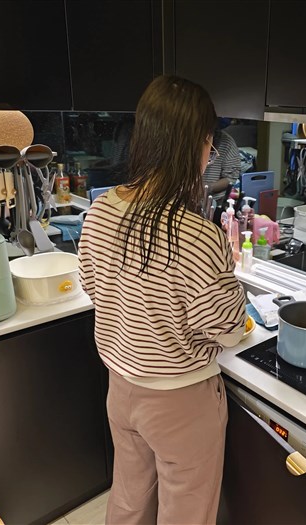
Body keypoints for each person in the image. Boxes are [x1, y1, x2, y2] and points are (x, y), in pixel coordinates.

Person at [78, 75, 246, 525]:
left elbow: (93, 287)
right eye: (209, 144)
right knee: (185, 512)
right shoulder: (198, 235)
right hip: (179, 399)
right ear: (198, 145)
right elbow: (229, 330)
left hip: (121, 387)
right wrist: (232, 284)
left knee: (130, 499)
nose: (210, 155)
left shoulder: (99, 211)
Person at [201, 127, 241, 203]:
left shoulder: (226, 142)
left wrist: (208, 188)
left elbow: (231, 178)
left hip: (215, 200)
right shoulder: (181, 139)